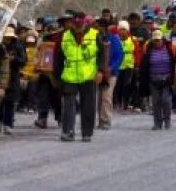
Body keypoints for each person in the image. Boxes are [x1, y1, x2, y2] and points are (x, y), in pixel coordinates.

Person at [53, 11, 106, 142]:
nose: (77, 25)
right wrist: (57, 76)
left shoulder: (94, 35)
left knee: (88, 106)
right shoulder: (65, 36)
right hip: (70, 76)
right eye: (75, 23)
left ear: (84, 22)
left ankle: (86, 133)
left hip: (88, 75)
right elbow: (58, 58)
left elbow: (101, 55)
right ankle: (68, 131)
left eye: (80, 23)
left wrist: (100, 71)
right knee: (69, 105)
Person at [139, 30, 176, 130]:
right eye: (155, 40)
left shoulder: (171, 48)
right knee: (156, 102)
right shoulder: (148, 48)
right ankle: (157, 123)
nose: (156, 42)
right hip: (153, 80)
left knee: (166, 101)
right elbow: (144, 64)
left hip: (167, 79)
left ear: (162, 39)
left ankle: (167, 121)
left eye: (158, 40)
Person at [0, 26, 26, 135]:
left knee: (10, 101)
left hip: (13, 76)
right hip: (0, 75)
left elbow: (23, 61)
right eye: (6, 37)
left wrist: (13, 59)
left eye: (10, 37)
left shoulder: (18, 46)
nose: (8, 39)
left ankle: (8, 124)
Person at [97, 24, 122, 130]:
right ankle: (101, 119)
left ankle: (106, 119)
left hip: (110, 73)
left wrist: (111, 68)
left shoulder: (115, 40)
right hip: (100, 72)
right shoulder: (100, 39)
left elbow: (119, 56)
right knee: (100, 98)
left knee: (106, 96)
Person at [113, 20, 134, 113]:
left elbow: (137, 53)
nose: (122, 31)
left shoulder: (133, 39)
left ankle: (125, 105)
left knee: (126, 85)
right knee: (118, 86)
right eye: (120, 29)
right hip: (118, 66)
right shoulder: (116, 40)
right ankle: (118, 103)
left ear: (127, 30)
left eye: (124, 29)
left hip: (129, 66)